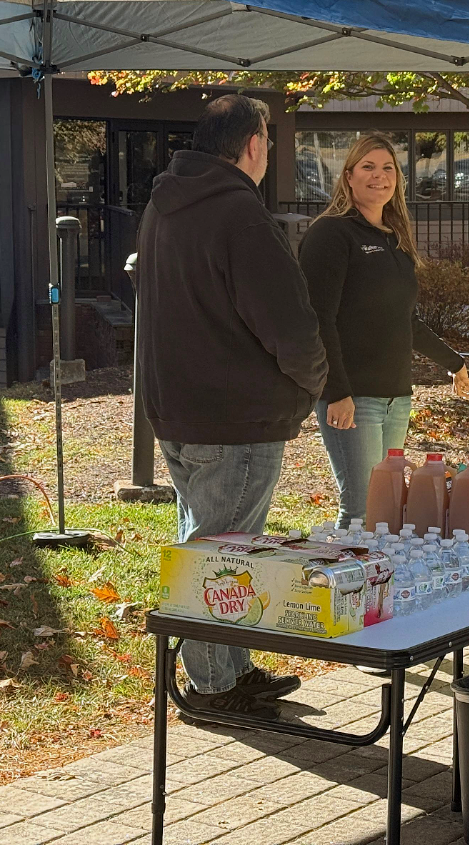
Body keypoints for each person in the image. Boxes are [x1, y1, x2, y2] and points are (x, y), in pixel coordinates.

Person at [136, 94, 327, 722]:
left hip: (179, 406)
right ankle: (214, 684)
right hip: (234, 415)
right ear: (251, 144)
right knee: (220, 548)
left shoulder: (164, 207)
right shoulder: (240, 214)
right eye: (268, 139)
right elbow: (288, 324)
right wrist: (312, 383)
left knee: (212, 539)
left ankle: (228, 666)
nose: (269, 151)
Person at [298, 133, 469, 527]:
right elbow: (318, 319)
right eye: (368, 167)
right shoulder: (330, 233)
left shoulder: (395, 238)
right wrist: (338, 393)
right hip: (354, 399)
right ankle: (348, 585)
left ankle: (381, 588)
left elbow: (404, 320)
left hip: (397, 397)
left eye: (387, 169)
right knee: (362, 509)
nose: (379, 177)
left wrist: (454, 362)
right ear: (348, 177)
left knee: (387, 509)